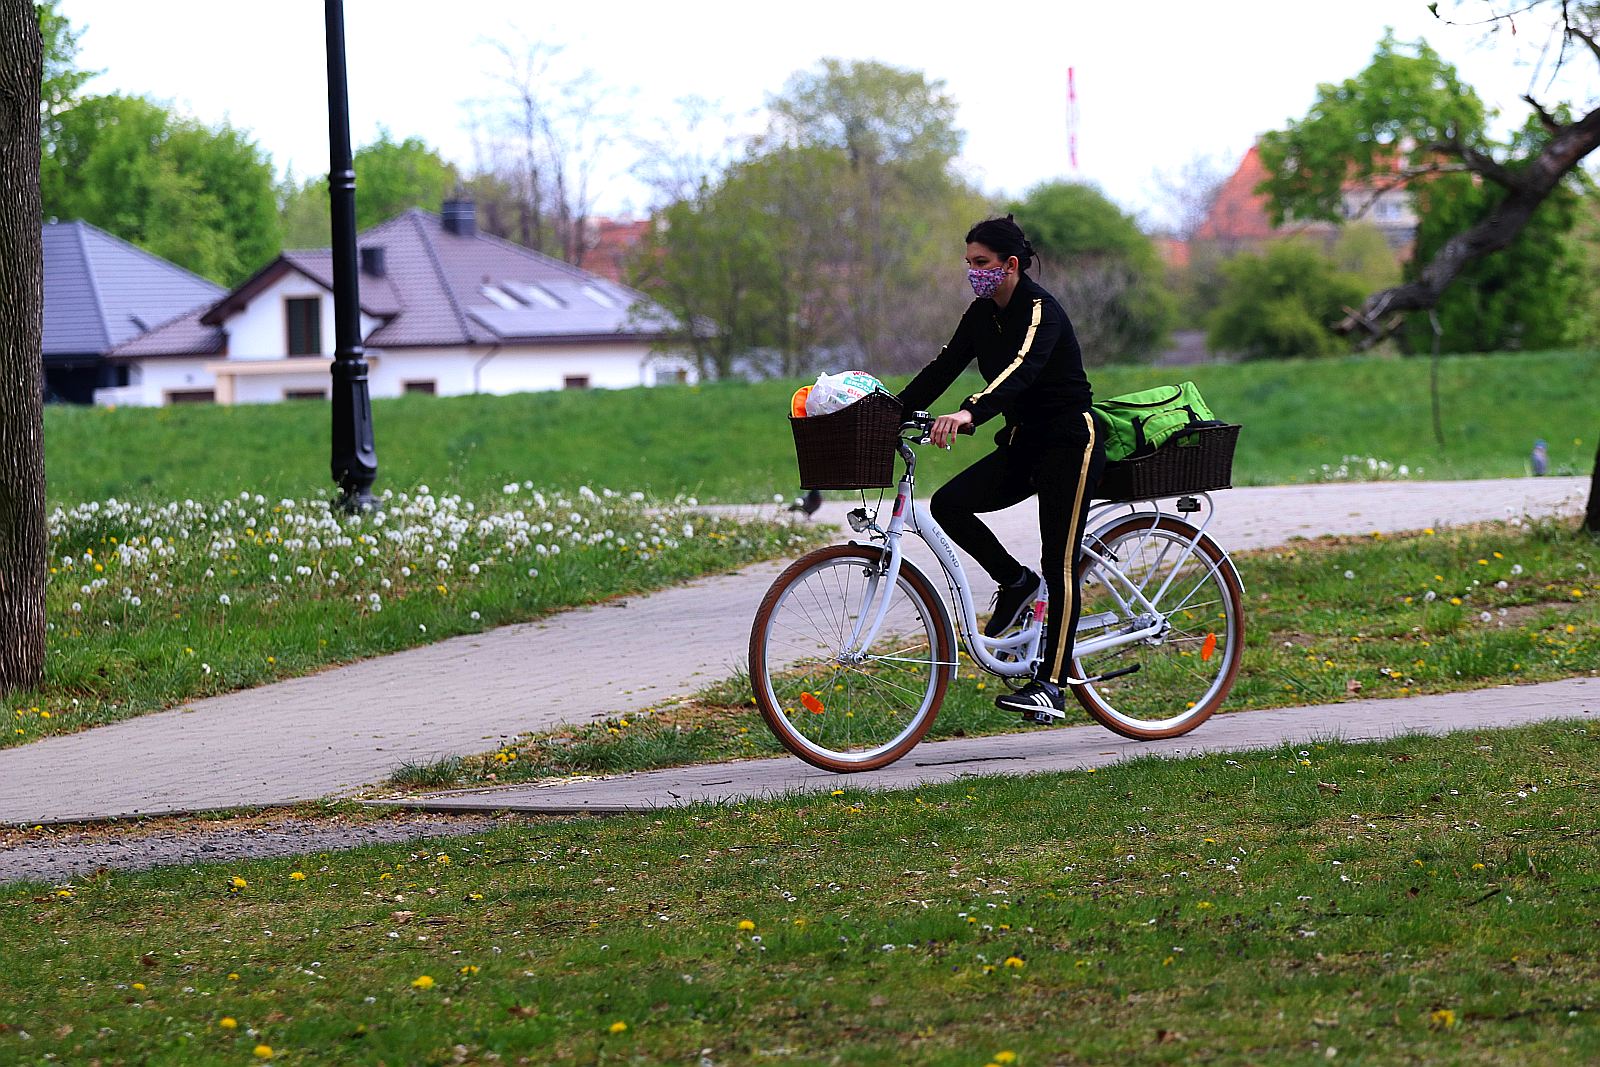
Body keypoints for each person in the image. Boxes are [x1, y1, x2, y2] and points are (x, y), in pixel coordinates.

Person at [897, 215, 1105, 721]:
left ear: (1010, 264)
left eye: (983, 263)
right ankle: (1015, 583)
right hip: (1022, 441)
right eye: (968, 263)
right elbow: (942, 367)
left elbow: (1023, 370)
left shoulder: (1041, 310)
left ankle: (1051, 686)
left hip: (1068, 441)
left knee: (1060, 563)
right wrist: (889, 412)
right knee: (951, 504)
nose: (974, 272)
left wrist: (971, 410)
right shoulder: (979, 314)